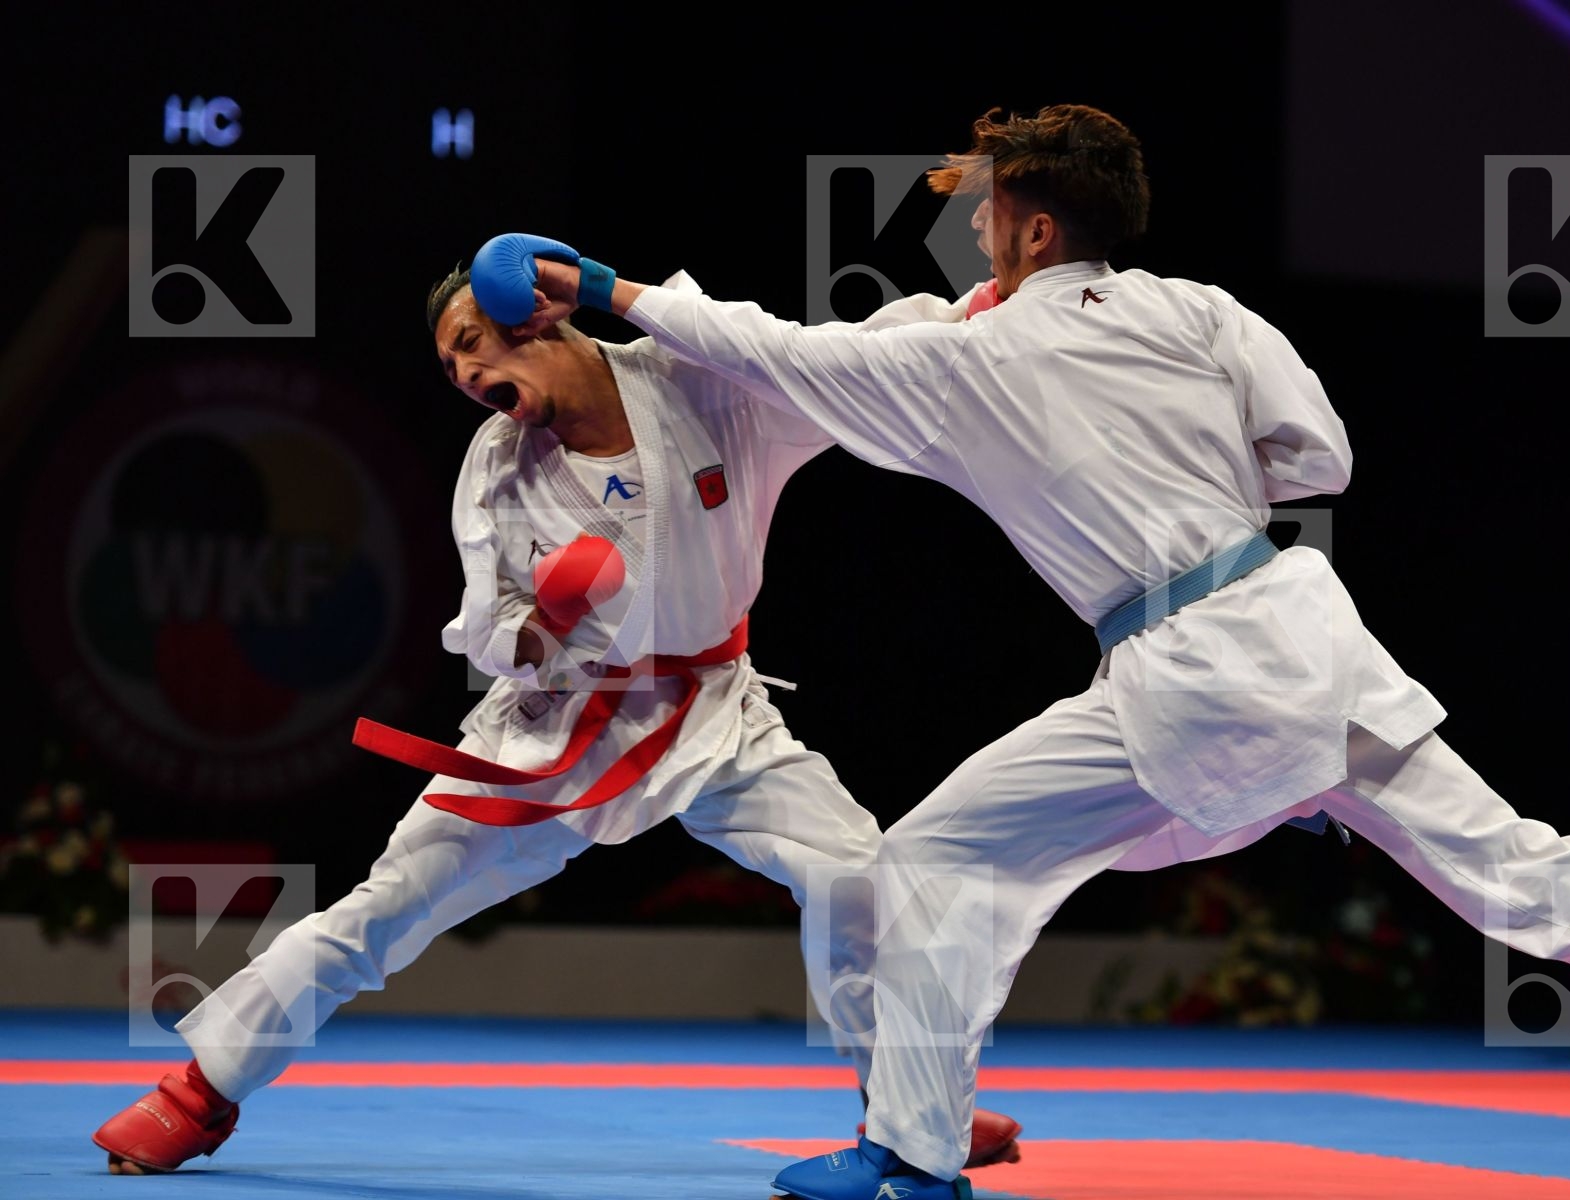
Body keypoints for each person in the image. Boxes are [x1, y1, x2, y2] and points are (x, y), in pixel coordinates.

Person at [481, 103, 1570, 1200]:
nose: (975, 228)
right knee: (1513, 859)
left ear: (1035, 225)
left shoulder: (976, 354)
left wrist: (612, 293)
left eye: (989, 209)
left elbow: (773, 349)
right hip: (1304, 631)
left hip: (1186, 672)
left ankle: (914, 1151)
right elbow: (1322, 458)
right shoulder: (1203, 313)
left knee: (941, 858)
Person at [89, 255, 1020, 1176]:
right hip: (551, 729)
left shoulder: (703, 386)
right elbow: (486, 632)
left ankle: (910, 1111)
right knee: (385, 910)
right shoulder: (497, 469)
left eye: (468, 343)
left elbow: (842, 356)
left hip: (715, 714)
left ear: (532, 317)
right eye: (448, 369)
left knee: (861, 876)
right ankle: (198, 1094)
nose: (461, 376)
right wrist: (545, 624)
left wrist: (976, 306)